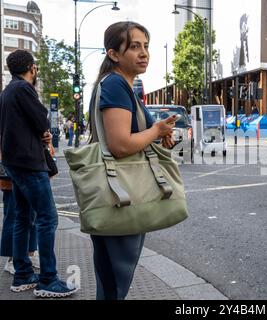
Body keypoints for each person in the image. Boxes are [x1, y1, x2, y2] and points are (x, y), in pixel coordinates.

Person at [89, 21, 177, 300]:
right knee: (115, 280)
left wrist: (157, 133)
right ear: (114, 54)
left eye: (146, 46)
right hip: (120, 193)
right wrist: (156, 130)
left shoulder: (120, 84)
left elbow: (131, 135)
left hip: (121, 191)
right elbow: (119, 145)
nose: (144, 53)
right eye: (134, 46)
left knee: (112, 278)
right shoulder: (116, 84)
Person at [0, 49, 76, 297]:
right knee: (47, 218)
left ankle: (22, 274)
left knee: (23, 216)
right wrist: (43, 131)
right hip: (29, 162)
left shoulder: (7, 91)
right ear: (31, 68)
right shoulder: (23, 88)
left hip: (14, 162)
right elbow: (42, 118)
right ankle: (48, 280)